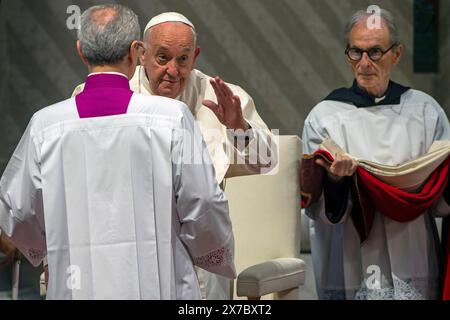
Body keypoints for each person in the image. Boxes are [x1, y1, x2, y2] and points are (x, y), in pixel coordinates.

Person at [0, 4, 235, 299]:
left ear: (80, 51)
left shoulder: (45, 126)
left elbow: (16, 210)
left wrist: (50, 246)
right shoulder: (173, 119)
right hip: (158, 286)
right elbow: (204, 201)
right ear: (136, 52)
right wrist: (207, 251)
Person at [73, 11, 277, 300]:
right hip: (128, 244)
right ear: (141, 54)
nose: (173, 69)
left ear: (195, 56)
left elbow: (267, 162)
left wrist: (238, 128)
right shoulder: (108, 95)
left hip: (198, 255)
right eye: (162, 57)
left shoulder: (219, 96)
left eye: (183, 59)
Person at [302, 8, 450, 300]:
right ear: (348, 56)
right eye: (356, 52)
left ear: (396, 54)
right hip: (352, 252)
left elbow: (441, 200)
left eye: (375, 52)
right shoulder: (325, 116)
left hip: (412, 248)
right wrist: (335, 181)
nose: (365, 63)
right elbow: (316, 206)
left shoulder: (424, 110)